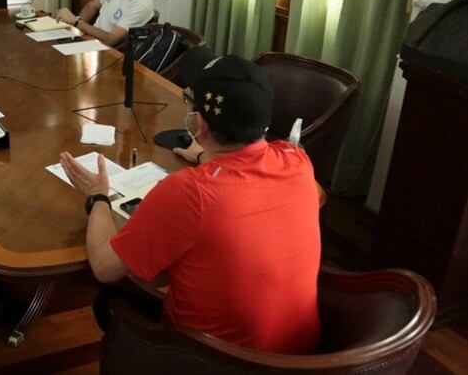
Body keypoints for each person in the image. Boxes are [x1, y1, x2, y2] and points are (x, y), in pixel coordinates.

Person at [59, 55, 321, 354]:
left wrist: (98, 196)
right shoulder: (297, 160)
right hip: (298, 359)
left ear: (200, 124)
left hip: (212, 360)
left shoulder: (190, 192)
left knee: (109, 297)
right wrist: (202, 156)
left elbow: (104, 267)